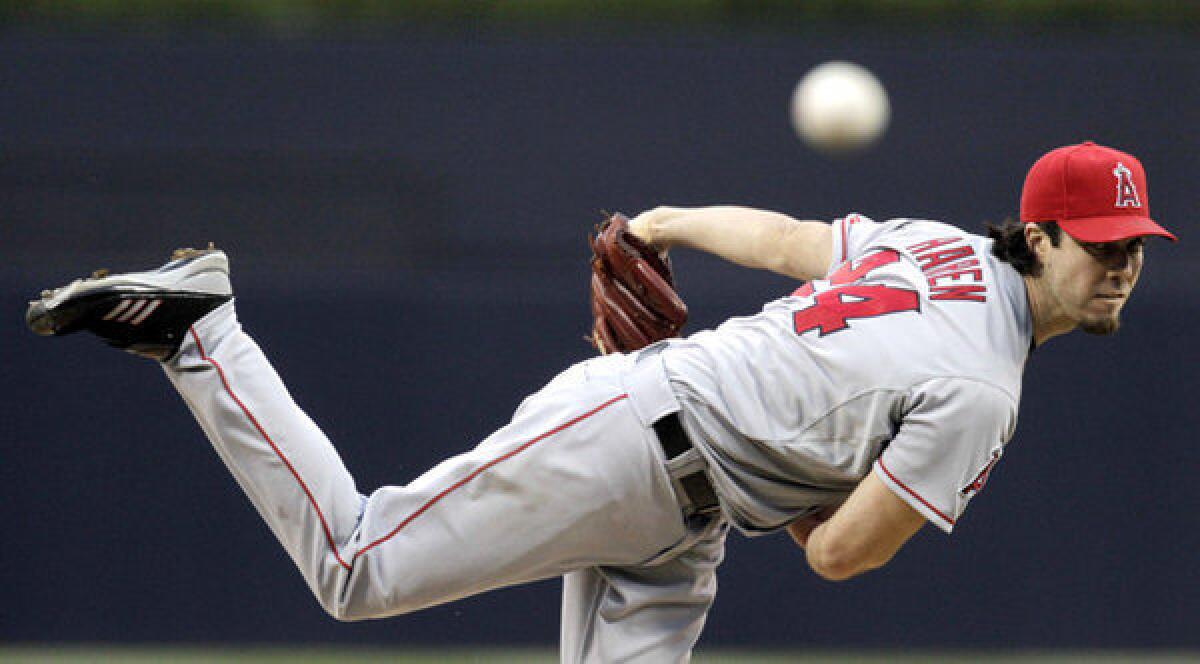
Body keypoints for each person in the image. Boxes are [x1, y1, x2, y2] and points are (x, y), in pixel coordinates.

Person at [26, 141, 1175, 662]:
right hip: (636, 441)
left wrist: (671, 222)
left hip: (680, 511)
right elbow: (837, 558)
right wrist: (836, 488)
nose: (1120, 264)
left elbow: (785, 241)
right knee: (355, 565)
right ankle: (200, 328)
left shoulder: (931, 247)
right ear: (1036, 235)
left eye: (1135, 245)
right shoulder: (985, 390)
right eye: (1102, 243)